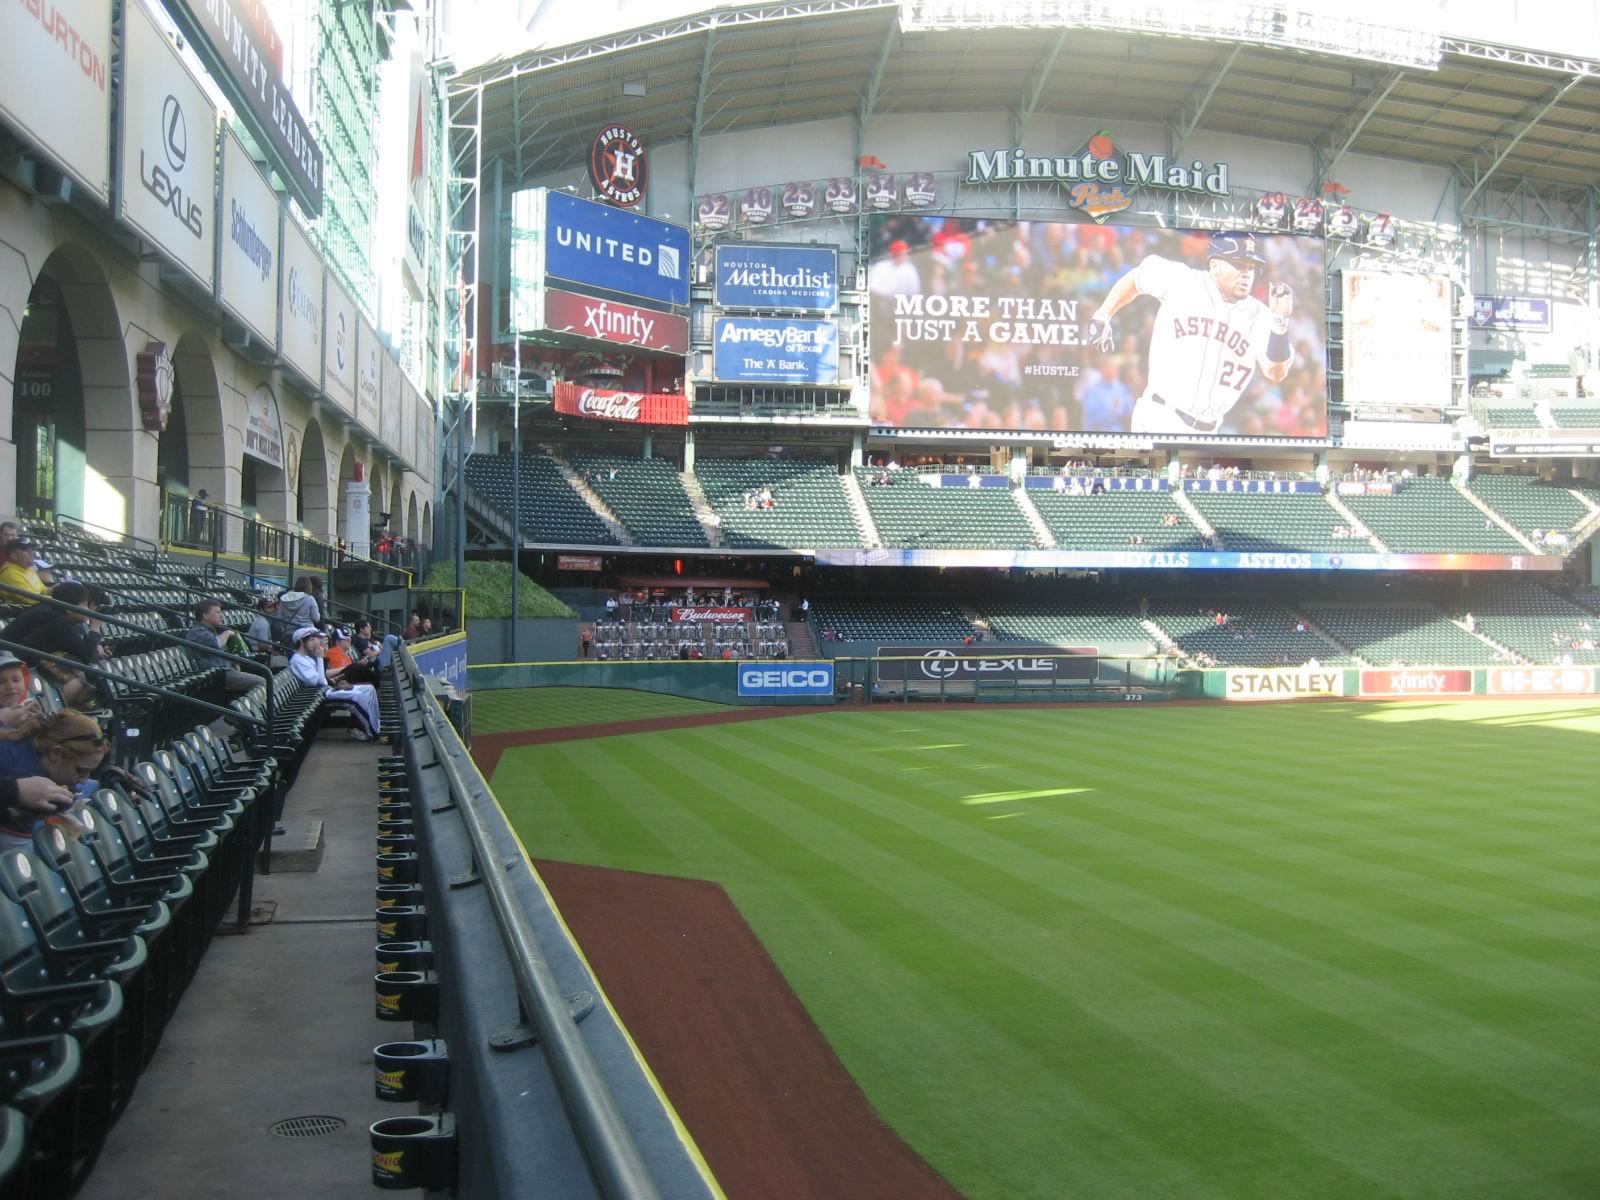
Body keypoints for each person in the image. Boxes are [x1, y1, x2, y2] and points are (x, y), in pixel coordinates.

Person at [1086, 232, 1294, 435]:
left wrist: (1280, 323)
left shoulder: (1260, 315)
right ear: (1215, 265)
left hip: (1210, 430)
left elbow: (1276, 373)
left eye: (1251, 267)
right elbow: (1137, 277)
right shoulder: (1184, 281)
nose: (1246, 274)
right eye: (1239, 264)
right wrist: (1103, 315)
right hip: (1160, 415)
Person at [0, 710, 109, 848]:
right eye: (81, 771)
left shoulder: (29, 746)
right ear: (56, 753)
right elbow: (19, 853)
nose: (84, 780)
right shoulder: (23, 775)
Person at [1, 580, 106, 706]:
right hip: (11, 663)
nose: (88, 611)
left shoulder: (48, 611)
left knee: (79, 674)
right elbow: (88, 656)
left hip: (15, 658)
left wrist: (95, 647)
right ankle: (55, 712)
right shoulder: (59, 623)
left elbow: (82, 650)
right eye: (85, 605)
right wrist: (95, 629)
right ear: (69, 609)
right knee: (76, 683)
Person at [288, 627, 379, 740]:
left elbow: (322, 680)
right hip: (319, 694)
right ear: (302, 642)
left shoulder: (306, 658)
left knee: (369, 688)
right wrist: (320, 658)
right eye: (311, 640)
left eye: (314, 639)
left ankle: (377, 725)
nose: (315, 643)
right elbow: (318, 682)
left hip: (323, 690)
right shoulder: (298, 660)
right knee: (358, 696)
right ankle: (372, 732)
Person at [184, 599, 265, 694]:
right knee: (261, 682)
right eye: (217, 612)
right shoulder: (197, 632)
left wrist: (233, 663)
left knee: (261, 671)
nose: (221, 615)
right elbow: (216, 644)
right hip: (216, 675)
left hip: (224, 671)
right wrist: (227, 633)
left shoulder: (211, 630)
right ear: (205, 615)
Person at [0, 538, 48, 604]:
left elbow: (43, 591)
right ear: (14, 556)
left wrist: (56, 590)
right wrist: (57, 597)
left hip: (42, 604)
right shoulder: (10, 574)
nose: (31, 553)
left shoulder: (28, 569)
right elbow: (33, 600)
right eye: (25, 550)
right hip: (28, 608)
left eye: (31, 549)